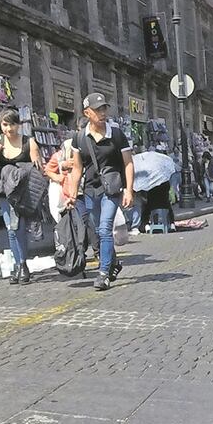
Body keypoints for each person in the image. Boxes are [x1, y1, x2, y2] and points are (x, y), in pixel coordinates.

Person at [67, 93, 135, 291]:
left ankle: (103, 273)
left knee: (105, 229)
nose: (102, 113)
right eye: (98, 110)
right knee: (97, 231)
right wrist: (72, 194)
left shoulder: (116, 135)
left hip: (112, 189)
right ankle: (113, 263)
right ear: (87, 113)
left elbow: (128, 163)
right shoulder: (79, 138)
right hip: (90, 190)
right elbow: (77, 168)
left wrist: (129, 190)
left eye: (104, 108)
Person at [0, 108, 43, 284]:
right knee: (11, 229)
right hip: (4, 192)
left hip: (23, 192)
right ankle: (19, 265)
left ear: (18, 125)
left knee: (18, 228)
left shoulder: (29, 142)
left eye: (12, 124)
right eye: (5, 124)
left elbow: (38, 169)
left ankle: (22, 264)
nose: (9, 129)